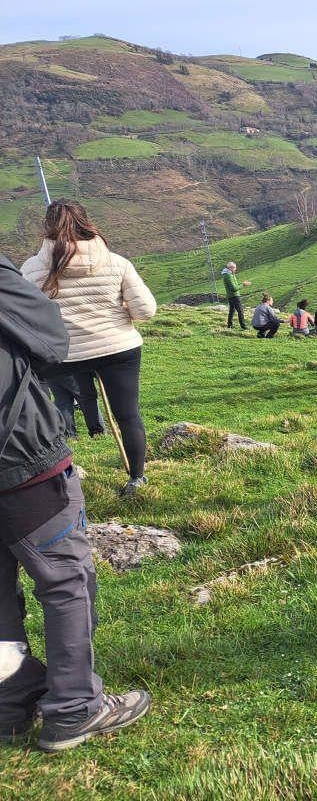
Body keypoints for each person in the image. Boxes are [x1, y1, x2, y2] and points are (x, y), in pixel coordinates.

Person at [0, 251, 152, 752]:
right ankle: (73, 707)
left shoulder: (33, 264)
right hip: (18, 453)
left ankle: (9, 703)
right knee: (65, 578)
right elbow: (51, 339)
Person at [21, 200, 157, 498]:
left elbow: (26, 317)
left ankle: (54, 476)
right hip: (117, 347)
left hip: (63, 354)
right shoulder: (117, 262)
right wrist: (119, 310)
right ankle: (136, 477)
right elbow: (145, 311)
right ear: (87, 223)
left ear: (48, 227)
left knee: (48, 409)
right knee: (128, 415)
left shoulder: (32, 269)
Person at [46, 373, 105, 438]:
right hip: (70, 370)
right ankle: (98, 433)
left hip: (49, 371)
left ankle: (69, 435)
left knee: (62, 403)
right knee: (86, 400)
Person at [222, 261, 246, 330]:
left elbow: (234, 286)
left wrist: (241, 284)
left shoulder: (229, 274)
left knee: (232, 311)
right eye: (235, 267)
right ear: (231, 268)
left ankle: (230, 325)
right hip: (234, 296)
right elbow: (234, 288)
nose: (236, 269)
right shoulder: (228, 275)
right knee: (240, 311)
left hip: (231, 296)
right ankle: (244, 327)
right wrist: (243, 285)